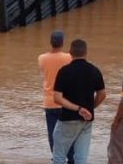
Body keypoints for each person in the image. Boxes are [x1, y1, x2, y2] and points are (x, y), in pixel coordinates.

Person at [52, 39, 106, 164]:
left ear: (70, 52)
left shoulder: (64, 71)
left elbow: (57, 98)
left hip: (68, 119)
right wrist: (90, 107)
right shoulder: (95, 70)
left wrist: (78, 109)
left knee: (59, 155)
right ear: (86, 52)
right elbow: (102, 94)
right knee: (81, 157)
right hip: (86, 121)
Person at [38, 30, 74, 164]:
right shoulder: (69, 57)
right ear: (63, 42)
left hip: (49, 101)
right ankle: (71, 159)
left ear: (50, 43)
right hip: (65, 101)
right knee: (69, 133)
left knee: (53, 134)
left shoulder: (42, 58)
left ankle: (57, 158)